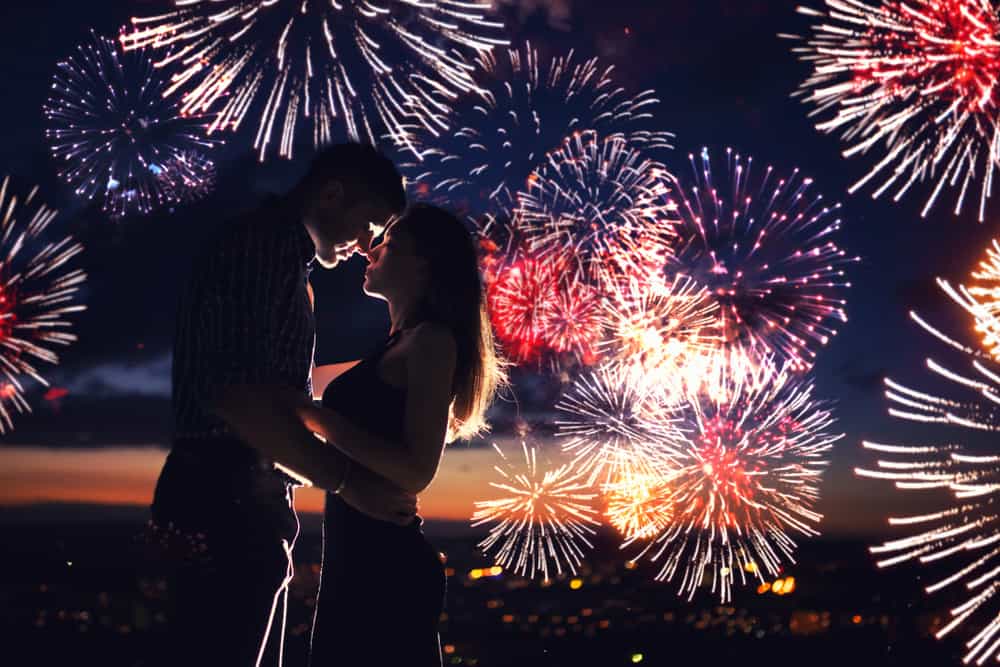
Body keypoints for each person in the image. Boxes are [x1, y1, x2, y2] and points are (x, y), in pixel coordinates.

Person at [150, 143, 416, 667]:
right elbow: (238, 396)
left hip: (228, 494)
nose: (368, 246)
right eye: (371, 225)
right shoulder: (264, 246)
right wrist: (347, 482)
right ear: (333, 193)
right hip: (225, 495)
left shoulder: (280, 260)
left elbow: (265, 388)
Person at [212, 204, 506, 666]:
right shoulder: (397, 344)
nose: (371, 250)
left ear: (422, 262)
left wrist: (317, 416)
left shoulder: (431, 342)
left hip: (384, 567)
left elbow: (414, 471)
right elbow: (291, 387)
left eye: (387, 244)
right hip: (357, 560)